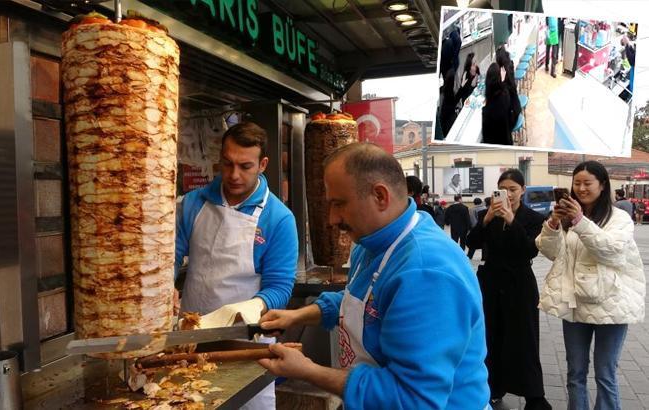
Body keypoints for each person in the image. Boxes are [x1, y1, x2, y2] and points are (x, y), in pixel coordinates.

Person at [256, 142, 490, 408]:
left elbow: (412, 399)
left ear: (380, 196)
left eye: (339, 204)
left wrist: (309, 371)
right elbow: (361, 303)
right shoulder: (373, 242)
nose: (332, 219)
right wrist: (298, 315)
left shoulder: (426, 273)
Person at [175, 122, 298, 409]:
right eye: (227, 164)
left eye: (245, 166)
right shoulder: (194, 203)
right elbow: (171, 256)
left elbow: (280, 287)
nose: (233, 175)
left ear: (263, 164)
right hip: (189, 336)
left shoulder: (279, 218)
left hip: (245, 343)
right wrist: (166, 288)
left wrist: (246, 309)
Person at [536, 161, 645, 410]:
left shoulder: (620, 218)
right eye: (577, 183)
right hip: (575, 303)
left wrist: (580, 220)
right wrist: (553, 225)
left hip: (611, 304)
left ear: (602, 185)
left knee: (605, 374)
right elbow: (552, 253)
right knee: (575, 372)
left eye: (588, 183)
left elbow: (611, 251)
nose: (582, 188)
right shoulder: (567, 217)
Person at [466, 170, 552, 409]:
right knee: (491, 336)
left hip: (520, 284)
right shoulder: (487, 214)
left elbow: (529, 250)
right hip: (490, 282)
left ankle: (534, 396)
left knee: (524, 338)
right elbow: (472, 243)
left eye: (513, 189)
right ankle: (493, 387)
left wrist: (511, 221)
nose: (509, 194)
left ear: (522, 190)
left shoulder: (534, 218)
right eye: (503, 189)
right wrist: (486, 220)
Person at [482, 62, 514, 145]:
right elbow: (503, 90)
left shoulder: (486, 111)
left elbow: (486, 139)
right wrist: (502, 82)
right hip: (507, 140)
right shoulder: (505, 95)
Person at [495, 47, 522, 130]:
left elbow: (503, 98)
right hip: (516, 107)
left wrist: (501, 81)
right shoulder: (510, 66)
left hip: (512, 115)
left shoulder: (504, 77)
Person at [441, 68, 459, 137]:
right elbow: (455, 102)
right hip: (448, 123)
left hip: (445, 119)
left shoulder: (445, 89)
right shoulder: (450, 93)